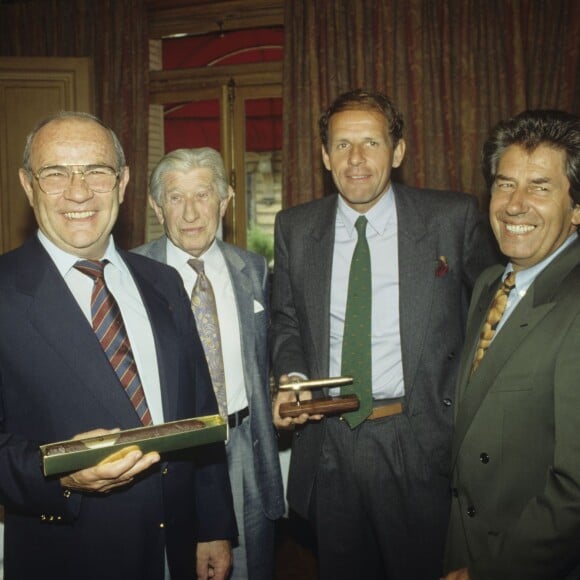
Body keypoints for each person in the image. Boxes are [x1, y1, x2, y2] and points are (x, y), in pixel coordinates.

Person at [271, 88, 499, 579]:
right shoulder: (295, 227)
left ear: (397, 152)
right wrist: (291, 376)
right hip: (329, 440)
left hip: (417, 440)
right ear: (325, 155)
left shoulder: (449, 219)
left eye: (371, 143)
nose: (356, 159)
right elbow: (287, 319)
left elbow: (493, 309)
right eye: (343, 144)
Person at [0, 111, 237, 580]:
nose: (79, 191)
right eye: (55, 174)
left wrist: (213, 525)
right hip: (72, 556)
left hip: (177, 548)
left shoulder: (165, 282)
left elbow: (200, 413)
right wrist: (60, 473)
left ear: (123, 181)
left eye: (96, 171)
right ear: (28, 185)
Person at [133, 147, 285, 579]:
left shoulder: (252, 268)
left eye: (202, 195)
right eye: (176, 198)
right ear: (156, 207)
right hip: (170, 456)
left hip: (244, 447)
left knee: (252, 568)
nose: (190, 212)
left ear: (225, 200)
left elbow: (265, 355)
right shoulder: (133, 273)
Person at [443, 109, 580, 580]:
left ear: (577, 207)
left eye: (540, 187)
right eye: (504, 184)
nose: (514, 205)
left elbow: (575, 489)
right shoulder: (488, 283)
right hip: (466, 540)